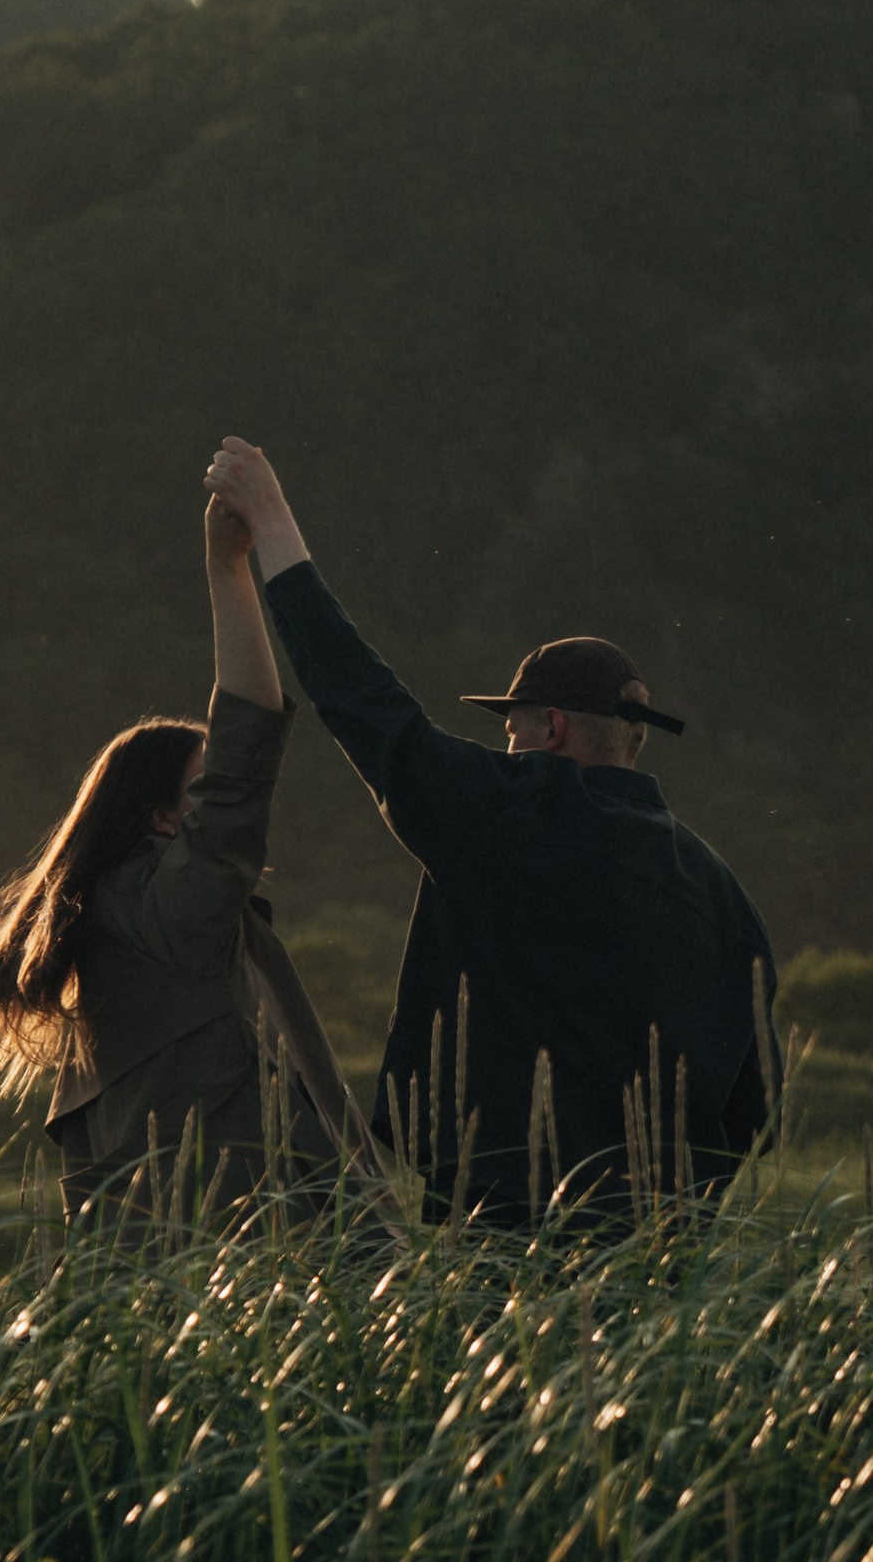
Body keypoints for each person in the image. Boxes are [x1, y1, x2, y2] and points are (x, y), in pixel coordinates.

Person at [202, 434, 778, 1224]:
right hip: (668, 1260)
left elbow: (367, 706)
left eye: (510, 733)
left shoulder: (517, 816)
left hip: (509, 1235)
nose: (502, 750)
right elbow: (758, 1108)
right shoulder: (723, 895)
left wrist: (271, 526)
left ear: (550, 734)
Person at [0, 497, 362, 1212]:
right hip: (271, 1262)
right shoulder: (173, 913)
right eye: (201, 793)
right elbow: (249, 742)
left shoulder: (120, 931)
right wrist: (227, 568)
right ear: (163, 819)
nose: (222, 809)